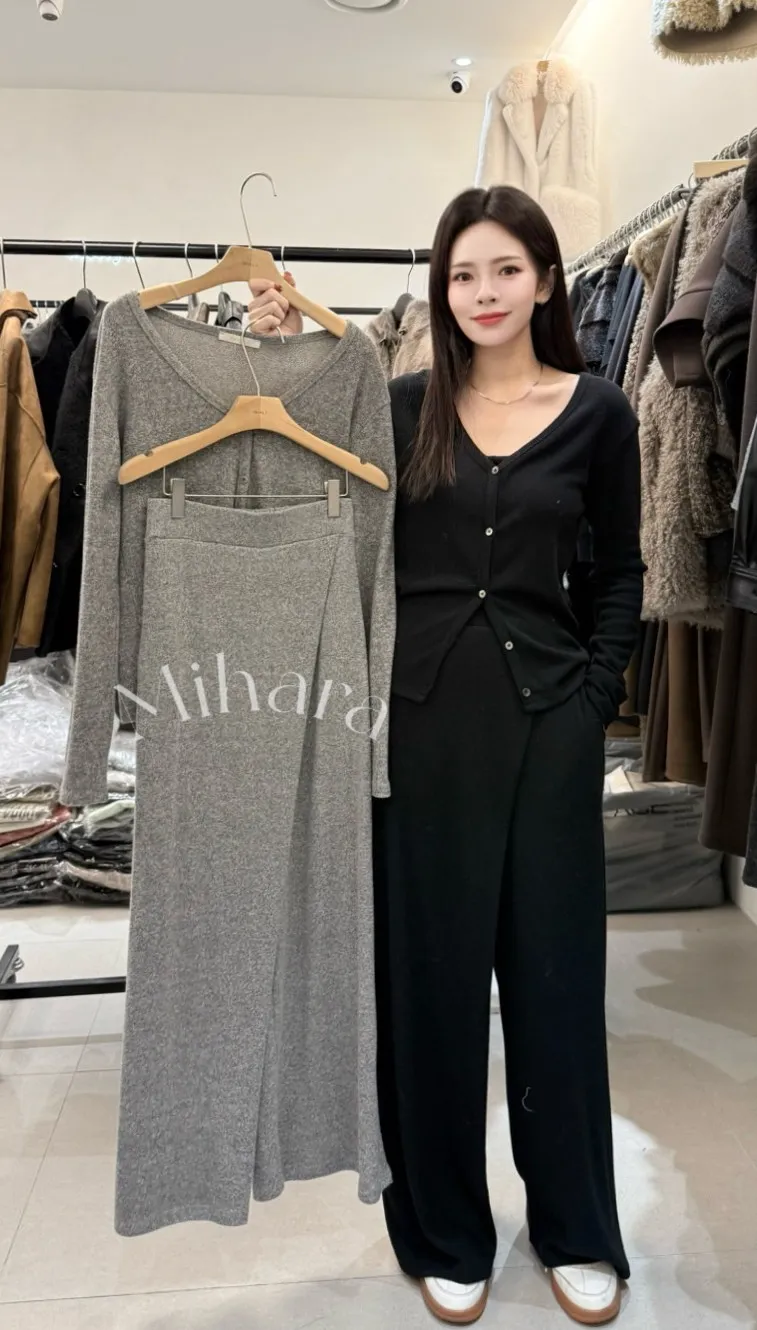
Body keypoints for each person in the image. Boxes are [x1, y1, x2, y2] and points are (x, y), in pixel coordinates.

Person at [247, 185, 643, 1328]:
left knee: (555, 986)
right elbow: (298, 479)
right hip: (414, 732)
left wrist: (594, 695)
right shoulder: (400, 405)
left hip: (547, 727)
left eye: (505, 269)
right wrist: (278, 355)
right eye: (463, 273)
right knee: (428, 991)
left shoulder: (598, 412)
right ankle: (444, 1231)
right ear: (440, 287)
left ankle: (576, 1226)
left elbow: (617, 572)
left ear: (546, 279)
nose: (483, 292)